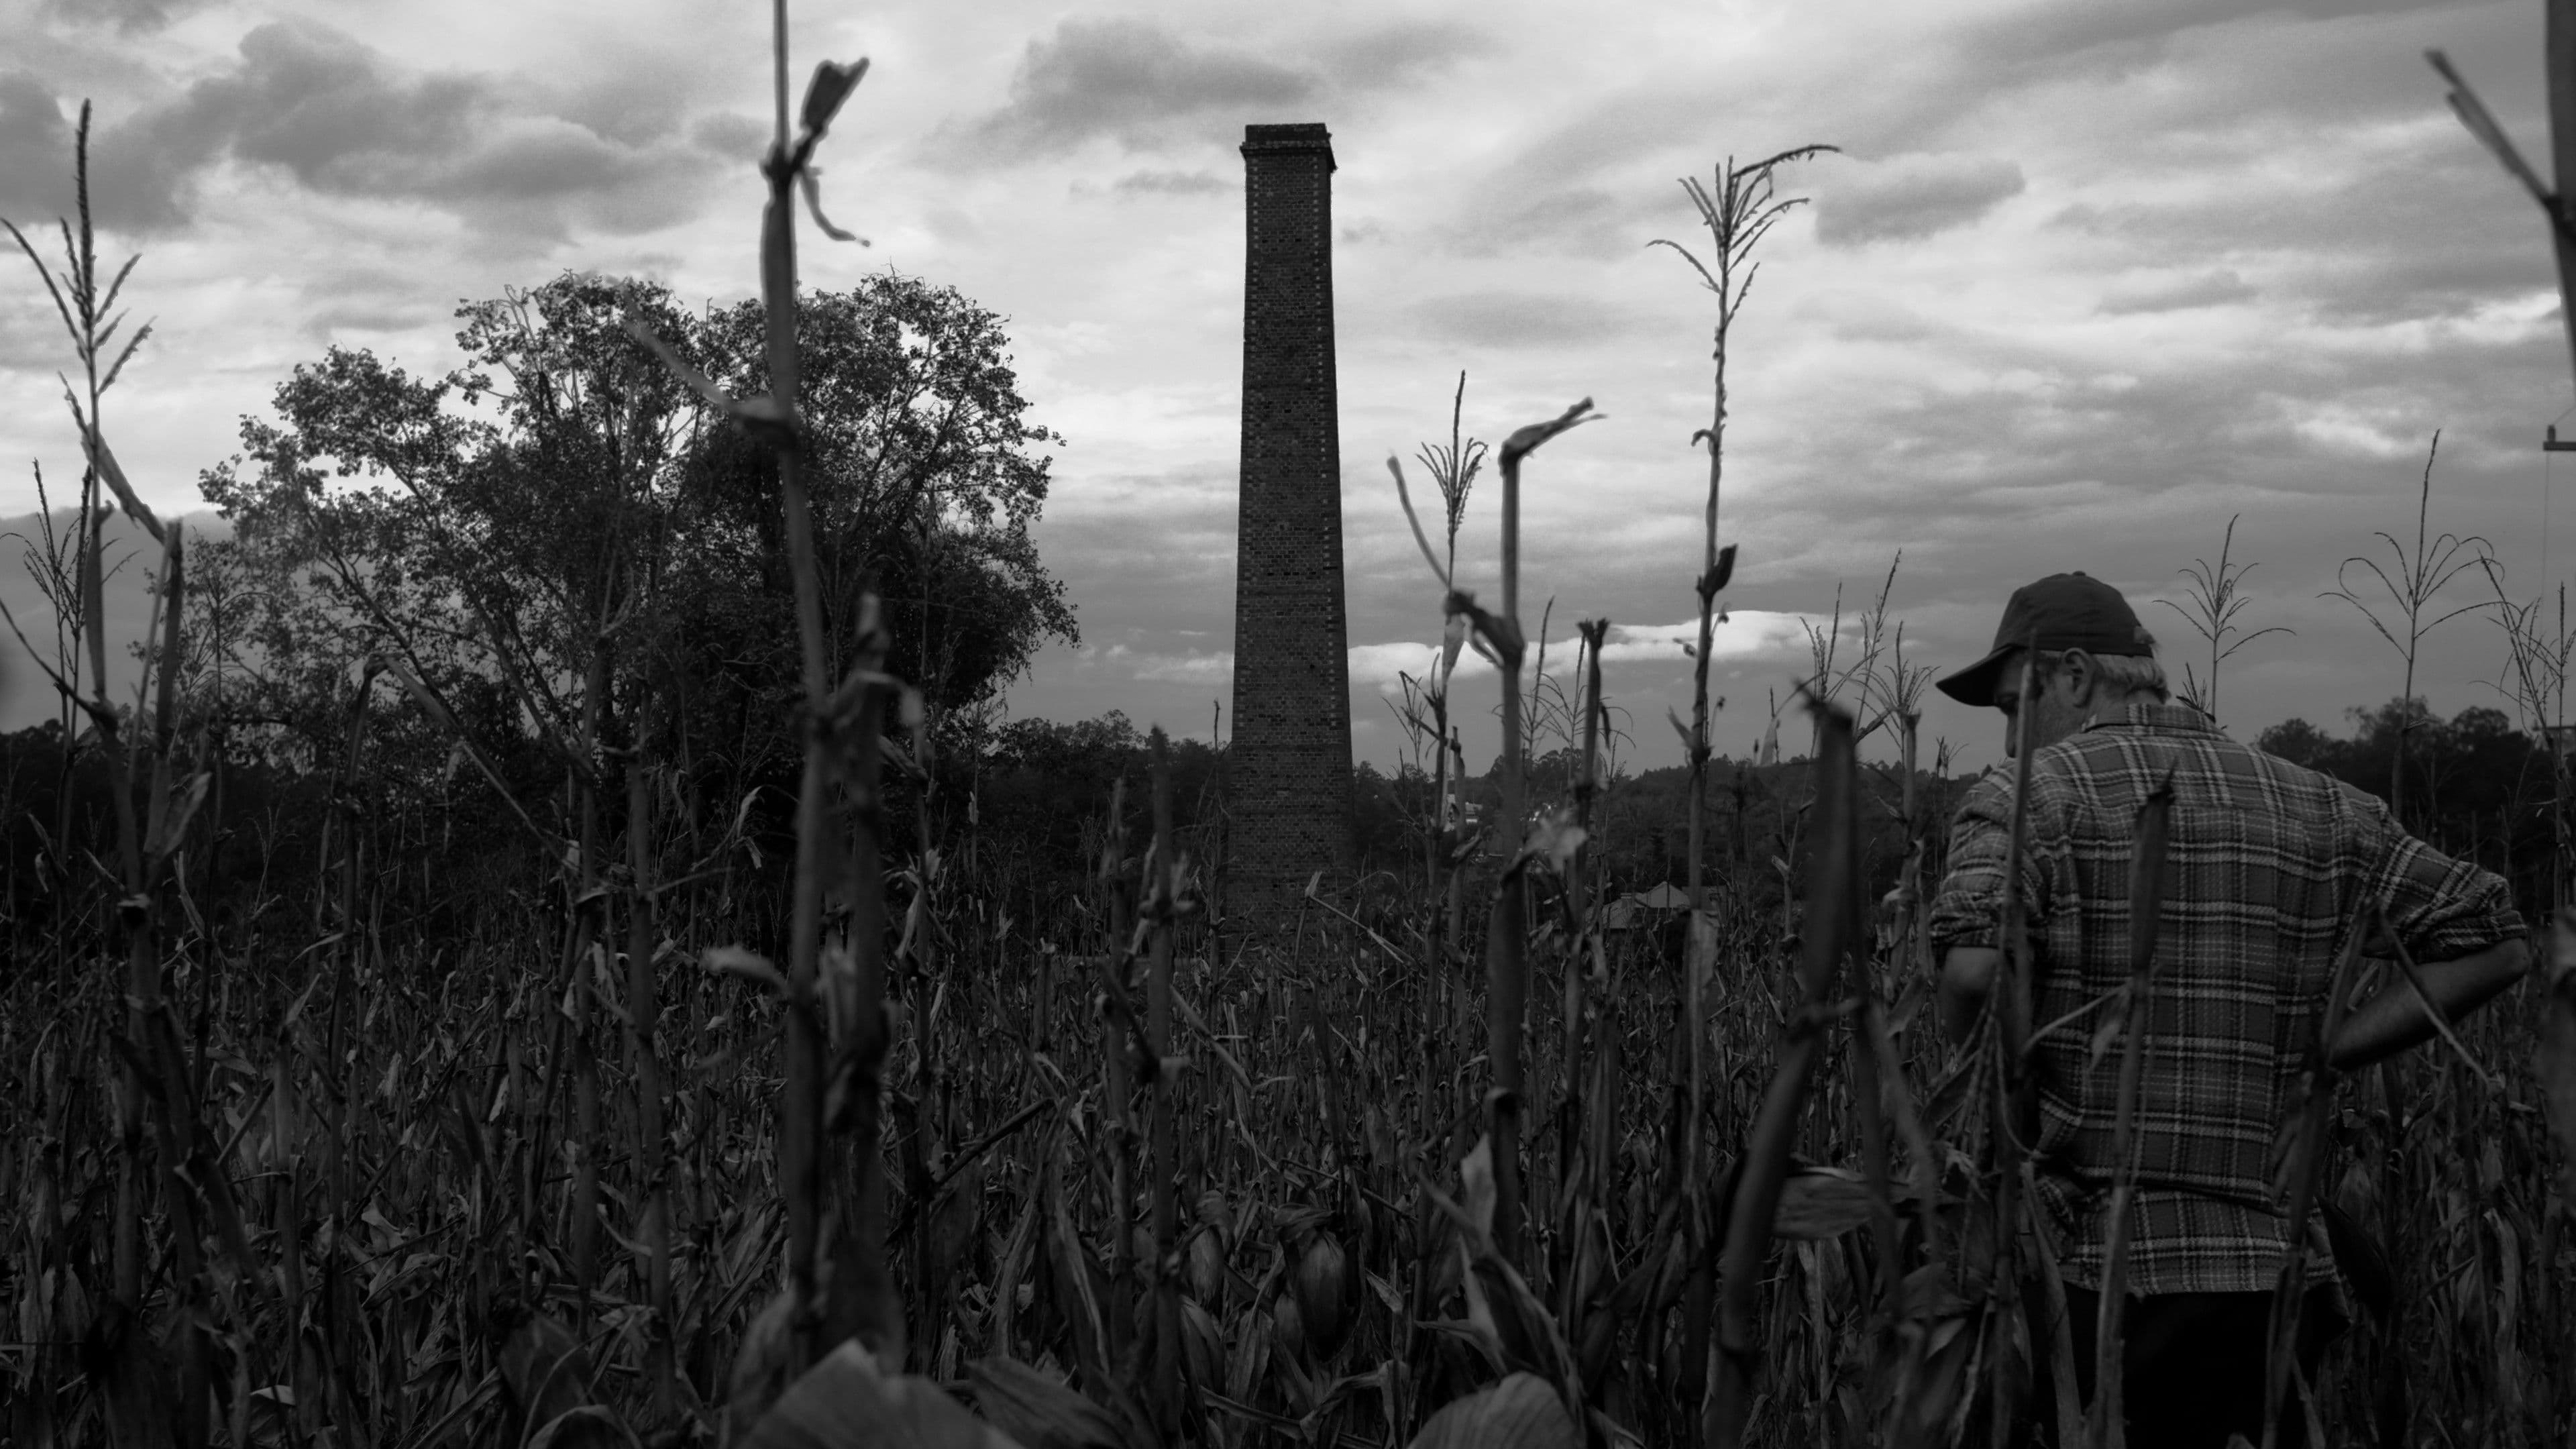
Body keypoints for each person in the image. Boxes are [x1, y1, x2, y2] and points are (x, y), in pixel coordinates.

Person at [1925, 571, 2529, 1448]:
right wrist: (2331, 1056)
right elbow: (2499, 938)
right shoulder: (2324, 805)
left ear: (2076, 677)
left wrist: (2007, 1117)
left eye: (2016, 704)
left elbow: (1976, 971)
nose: (2012, 736)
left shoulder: (2032, 798)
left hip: (2088, 1284)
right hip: (2271, 1287)